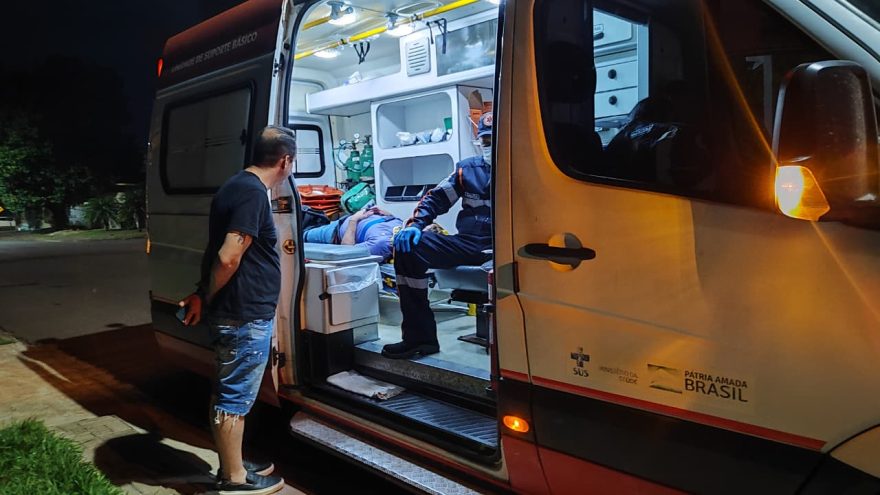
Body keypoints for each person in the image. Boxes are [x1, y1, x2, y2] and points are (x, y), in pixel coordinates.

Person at [177, 125, 295, 494]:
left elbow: (218, 252)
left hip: (238, 311)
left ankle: (233, 464)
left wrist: (202, 293)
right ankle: (234, 480)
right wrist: (210, 295)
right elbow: (228, 257)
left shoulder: (235, 185)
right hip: (244, 314)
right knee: (234, 398)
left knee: (229, 389)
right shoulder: (252, 193)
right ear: (285, 160)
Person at [382, 111, 494, 359]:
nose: (489, 147)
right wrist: (415, 225)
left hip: (504, 246)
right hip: (469, 244)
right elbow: (436, 198)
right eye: (485, 141)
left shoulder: (522, 169)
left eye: (494, 141)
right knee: (408, 248)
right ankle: (419, 339)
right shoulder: (468, 170)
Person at [303, 205, 403, 262]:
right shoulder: (403, 227)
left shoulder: (380, 245)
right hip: (346, 221)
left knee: (301, 236)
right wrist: (388, 214)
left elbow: (346, 252)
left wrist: (354, 220)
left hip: (335, 233)